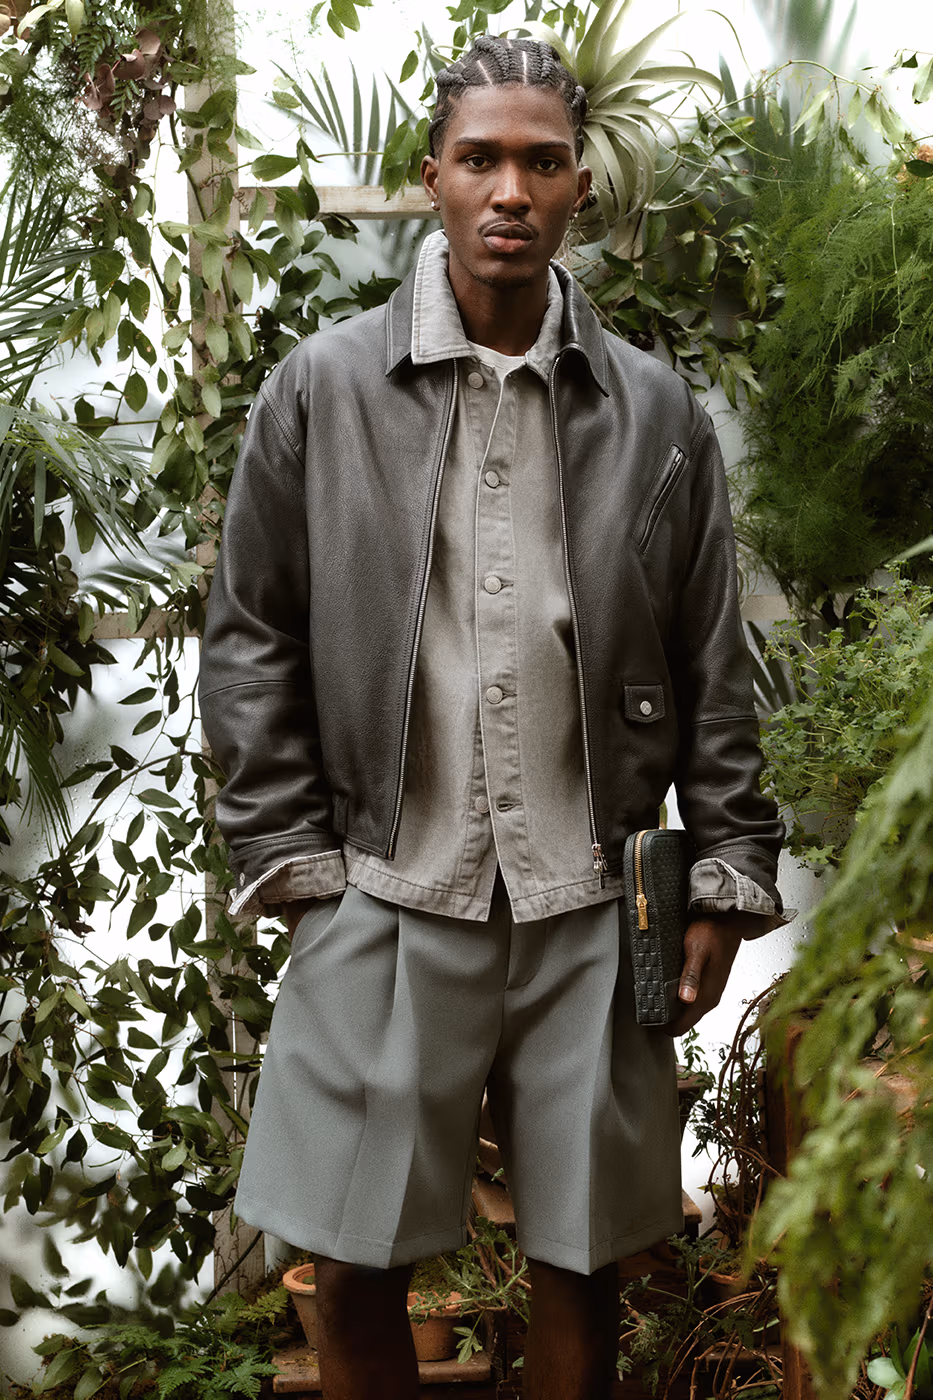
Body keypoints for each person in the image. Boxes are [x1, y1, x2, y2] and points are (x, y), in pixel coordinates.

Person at [199, 35, 785, 1400]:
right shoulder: (323, 390)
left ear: (580, 185)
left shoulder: (655, 412)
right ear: (433, 179)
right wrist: (297, 864)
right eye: (481, 160)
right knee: (350, 1265)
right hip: (386, 887)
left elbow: (712, 658)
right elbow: (249, 637)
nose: (510, 191)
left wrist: (722, 873)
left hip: (594, 898)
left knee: (584, 1260)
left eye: (541, 162)